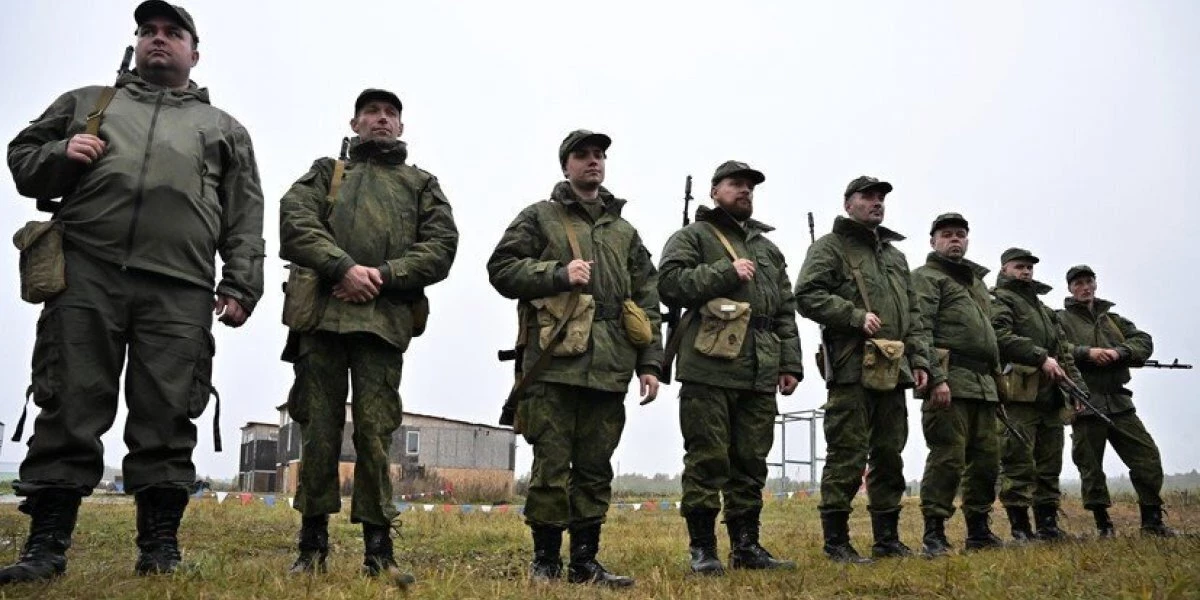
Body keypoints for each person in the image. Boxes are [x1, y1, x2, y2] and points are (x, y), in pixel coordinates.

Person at [1, 1, 264, 582]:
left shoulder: (224, 129)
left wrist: (242, 281)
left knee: (168, 414)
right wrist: (61, 153)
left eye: (172, 33)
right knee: (69, 403)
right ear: (136, 43)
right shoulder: (88, 103)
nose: (157, 39)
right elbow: (21, 159)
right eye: (147, 31)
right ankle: (45, 549)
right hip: (86, 274)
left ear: (195, 52)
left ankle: (160, 549)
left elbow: (245, 214)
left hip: (181, 286)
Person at [278, 88, 458, 584]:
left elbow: (441, 246)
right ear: (354, 122)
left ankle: (379, 551)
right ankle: (311, 546)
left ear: (401, 126)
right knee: (318, 432)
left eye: (390, 113)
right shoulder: (326, 173)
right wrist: (342, 267)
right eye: (372, 112)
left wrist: (381, 274)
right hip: (320, 321)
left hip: (382, 324)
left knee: (376, 435)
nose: (381, 119)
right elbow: (295, 222)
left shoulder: (421, 184)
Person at [487, 130, 662, 587]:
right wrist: (557, 273)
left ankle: (585, 563)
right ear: (565, 166)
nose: (592, 161)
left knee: (595, 468)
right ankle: (545, 562)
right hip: (553, 364)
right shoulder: (539, 217)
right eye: (582, 155)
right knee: (550, 465)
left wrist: (650, 363)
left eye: (599, 155)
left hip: (610, 367)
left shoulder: (624, 232)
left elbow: (647, 297)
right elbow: (501, 269)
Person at [657, 161, 802, 575]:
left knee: (752, 462)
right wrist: (725, 271)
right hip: (709, 367)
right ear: (714, 191)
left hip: (761, 367)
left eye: (750, 186)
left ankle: (747, 547)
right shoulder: (693, 237)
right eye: (735, 184)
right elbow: (668, 285)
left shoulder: (768, 249)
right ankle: (703, 550)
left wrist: (790, 363)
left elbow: (784, 309)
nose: (745, 191)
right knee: (707, 458)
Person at [794, 176, 932, 563]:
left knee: (890, 453)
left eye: (880, 197)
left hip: (894, 368)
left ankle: (887, 539)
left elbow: (914, 314)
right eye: (867, 196)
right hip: (851, 366)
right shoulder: (830, 246)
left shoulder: (895, 256)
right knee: (848, 452)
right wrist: (853, 316)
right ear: (848, 203)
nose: (876, 202)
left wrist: (921, 360)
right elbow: (806, 295)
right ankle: (837, 542)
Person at [910, 213, 1004, 556]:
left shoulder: (976, 284)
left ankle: (979, 530)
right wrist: (936, 377)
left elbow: (990, 337)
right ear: (933, 241)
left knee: (987, 460)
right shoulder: (926, 277)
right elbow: (920, 327)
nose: (955, 239)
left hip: (983, 384)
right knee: (947, 457)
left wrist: (998, 385)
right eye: (947, 234)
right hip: (950, 380)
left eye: (960, 234)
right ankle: (934, 533)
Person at [1057, 265, 1175, 537]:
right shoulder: (1060, 319)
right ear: (1070, 289)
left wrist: (1120, 352)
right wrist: (1087, 353)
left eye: (1088, 282)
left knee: (1147, 457)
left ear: (1095, 284)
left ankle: (1152, 522)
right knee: (1090, 466)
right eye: (1078, 284)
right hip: (1085, 402)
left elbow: (1143, 340)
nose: (1085, 287)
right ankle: (1104, 526)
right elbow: (1056, 347)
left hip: (1120, 402)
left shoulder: (1113, 320)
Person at [990, 248, 1087, 541]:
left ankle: (1048, 526)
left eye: (1029, 267)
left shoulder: (1043, 309)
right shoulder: (999, 299)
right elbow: (999, 336)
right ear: (1005, 269)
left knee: (1049, 464)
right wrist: (1040, 357)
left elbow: (1064, 352)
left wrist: (1077, 389)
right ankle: (1020, 530)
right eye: (1019, 266)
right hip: (1018, 395)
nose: (1026, 271)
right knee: (1017, 461)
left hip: (1050, 397)